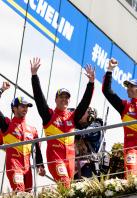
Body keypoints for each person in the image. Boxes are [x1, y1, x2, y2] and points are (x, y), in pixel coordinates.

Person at [30, 57, 94, 187]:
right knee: (65, 183)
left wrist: (91, 83)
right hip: (55, 158)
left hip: (70, 159)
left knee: (68, 188)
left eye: (66, 98)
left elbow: (84, 103)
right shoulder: (49, 115)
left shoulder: (72, 117)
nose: (64, 100)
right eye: (61, 97)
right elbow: (39, 99)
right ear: (56, 99)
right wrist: (34, 76)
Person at [0, 82, 45, 192]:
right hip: (14, 167)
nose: (25, 109)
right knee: (20, 194)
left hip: (28, 169)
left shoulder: (32, 130)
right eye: (22, 106)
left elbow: (37, 150)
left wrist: (40, 165)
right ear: (14, 108)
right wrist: (1, 90)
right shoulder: (7, 124)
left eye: (27, 106)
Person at [74, 107, 109, 179]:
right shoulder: (79, 128)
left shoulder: (96, 128)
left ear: (90, 116)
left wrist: (67, 129)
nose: (79, 114)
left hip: (89, 168)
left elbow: (84, 133)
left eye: (83, 112)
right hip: (76, 168)